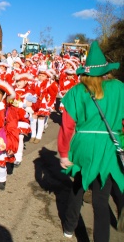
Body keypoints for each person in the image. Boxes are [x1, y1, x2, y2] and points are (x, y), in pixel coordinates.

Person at [58, 41, 124, 241]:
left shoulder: (77, 91)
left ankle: (69, 227)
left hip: (83, 146)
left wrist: (63, 153)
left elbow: (67, 126)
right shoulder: (119, 88)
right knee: (101, 200)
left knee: (78, 185)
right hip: (108, 147)